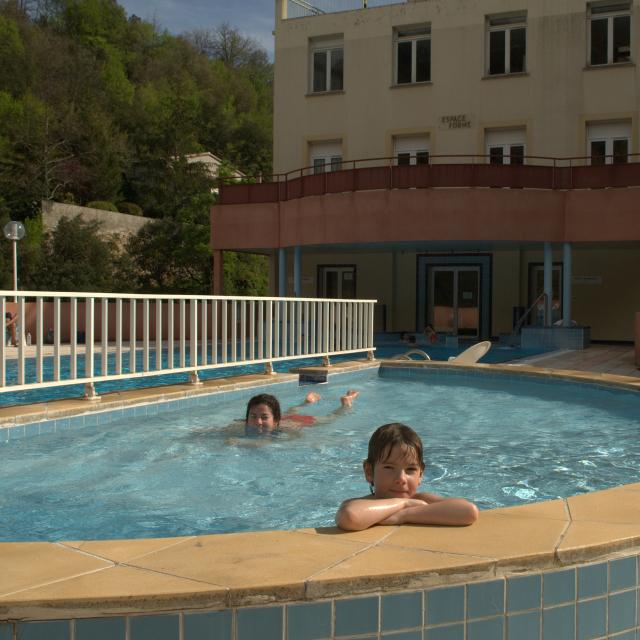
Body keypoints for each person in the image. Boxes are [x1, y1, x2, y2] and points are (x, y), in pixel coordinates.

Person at [335, 423, 478, 531]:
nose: (401, 479)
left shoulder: (421, 500)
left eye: (410, 470)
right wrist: (404, 503)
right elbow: (350, 516)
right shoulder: (362, 503)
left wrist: (405, 515)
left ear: (420, 474)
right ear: (369, 471)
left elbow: (468, 511)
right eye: (389, 468)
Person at [224, 390, 360, 444]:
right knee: (289, 411)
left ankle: (346, 404)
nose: (258, 422)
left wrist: (240, 442)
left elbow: (268, 443)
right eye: (253, 416)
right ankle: (306, 402)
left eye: (264, 417)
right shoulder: (243, 424)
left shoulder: (289, 429)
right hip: (283, 416)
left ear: (276, 421)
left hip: (297, 421)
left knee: (330, 419)